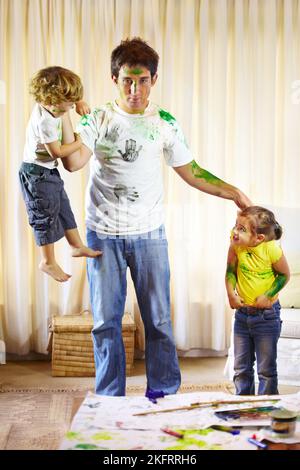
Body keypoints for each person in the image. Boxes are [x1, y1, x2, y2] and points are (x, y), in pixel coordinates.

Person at [62, 37, 251, 396]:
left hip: (150, 234)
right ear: (114, 78)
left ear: (154, 79)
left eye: (143, 80)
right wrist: (63, 116)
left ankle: (162, 394)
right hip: (103, 235)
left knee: (159, 321)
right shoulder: (98, 118)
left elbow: (191, 171)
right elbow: (74, 162)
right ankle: (109, 398)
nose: (135, 89)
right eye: (127, 80)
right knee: (105, 322)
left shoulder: (164, 122)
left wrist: (234, 192)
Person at [19, 66, 101, 282]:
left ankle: (76, 246)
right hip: (35, 174)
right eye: (66, 108)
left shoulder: (52, 103)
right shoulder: (45, 121)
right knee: (44, 216)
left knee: (63, 208)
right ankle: (47, 261)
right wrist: (80, 141)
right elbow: (57, 151)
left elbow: (63, 92)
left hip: (48, 171)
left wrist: (79, 101)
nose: (70, 110)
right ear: (51, 101)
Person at [225, 206, 290, 395]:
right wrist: (231, 293)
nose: (234, 232)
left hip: (267, 317)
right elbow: (230, 271)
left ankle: (266, 408)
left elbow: (284, 275)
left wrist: (268, 295)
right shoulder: (235, 245)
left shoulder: (272, 249)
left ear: (259, 238)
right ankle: (243, 405)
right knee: (241, 368)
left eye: (241, 229)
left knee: (266, 370)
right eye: (235, 226)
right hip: (242, 317)